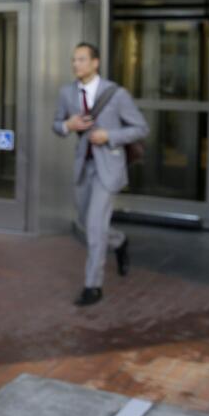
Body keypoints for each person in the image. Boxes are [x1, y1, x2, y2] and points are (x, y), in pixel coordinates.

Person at [52, 42, 149, 307]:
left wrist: (110, 136)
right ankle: (119, 241)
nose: (76, 65)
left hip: (109, 166)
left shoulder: (115, 94)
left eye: (81, 59)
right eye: (73, 60)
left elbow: (141, 128)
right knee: (85, 220)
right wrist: (67, 125)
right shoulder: (66, 93)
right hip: (84, 166)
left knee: (95, 226)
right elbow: (56, 125)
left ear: (95, 63)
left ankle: (93, 286)